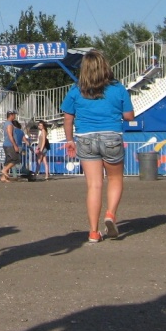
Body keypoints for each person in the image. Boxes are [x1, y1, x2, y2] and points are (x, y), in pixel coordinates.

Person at [62, 50, 135, 243]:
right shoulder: (117, 88)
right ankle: (110, 214)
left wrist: (69, 140)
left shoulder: (76, 90)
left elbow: (68, 118)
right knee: (115, 178)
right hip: (111, 136)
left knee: (94, 185)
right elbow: (129, 116)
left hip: (85, 137)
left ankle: (93, 232)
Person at [0, 110, 26, 181]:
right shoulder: (9, 124)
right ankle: (5, 170)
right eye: (14, 115)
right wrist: (15, 145)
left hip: (6, 144)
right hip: (10, 144)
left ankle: (3, 177)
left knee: (8, 161)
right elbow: (10, 135)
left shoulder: (6, 123)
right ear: (11, 115)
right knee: (16, 159)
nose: (15, 116)